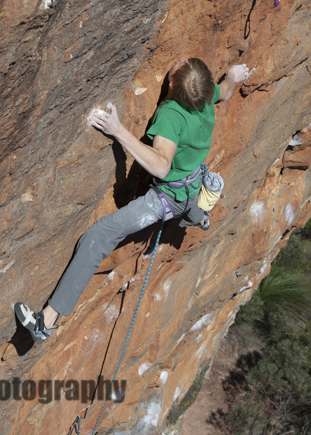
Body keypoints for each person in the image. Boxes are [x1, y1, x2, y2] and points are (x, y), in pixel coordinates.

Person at [14, 57, 248, 342]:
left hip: (169, 196)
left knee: (98, 236)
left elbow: (161, 166)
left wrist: (118, 131)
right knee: (192, 208)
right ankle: (198, 216)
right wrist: (233, 75)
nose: (180, 59)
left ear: (172, 86)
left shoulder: (172, 113)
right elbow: (225, 90)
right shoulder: (207, 91)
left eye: (182, 63)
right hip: (192, 184)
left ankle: (45, 322)